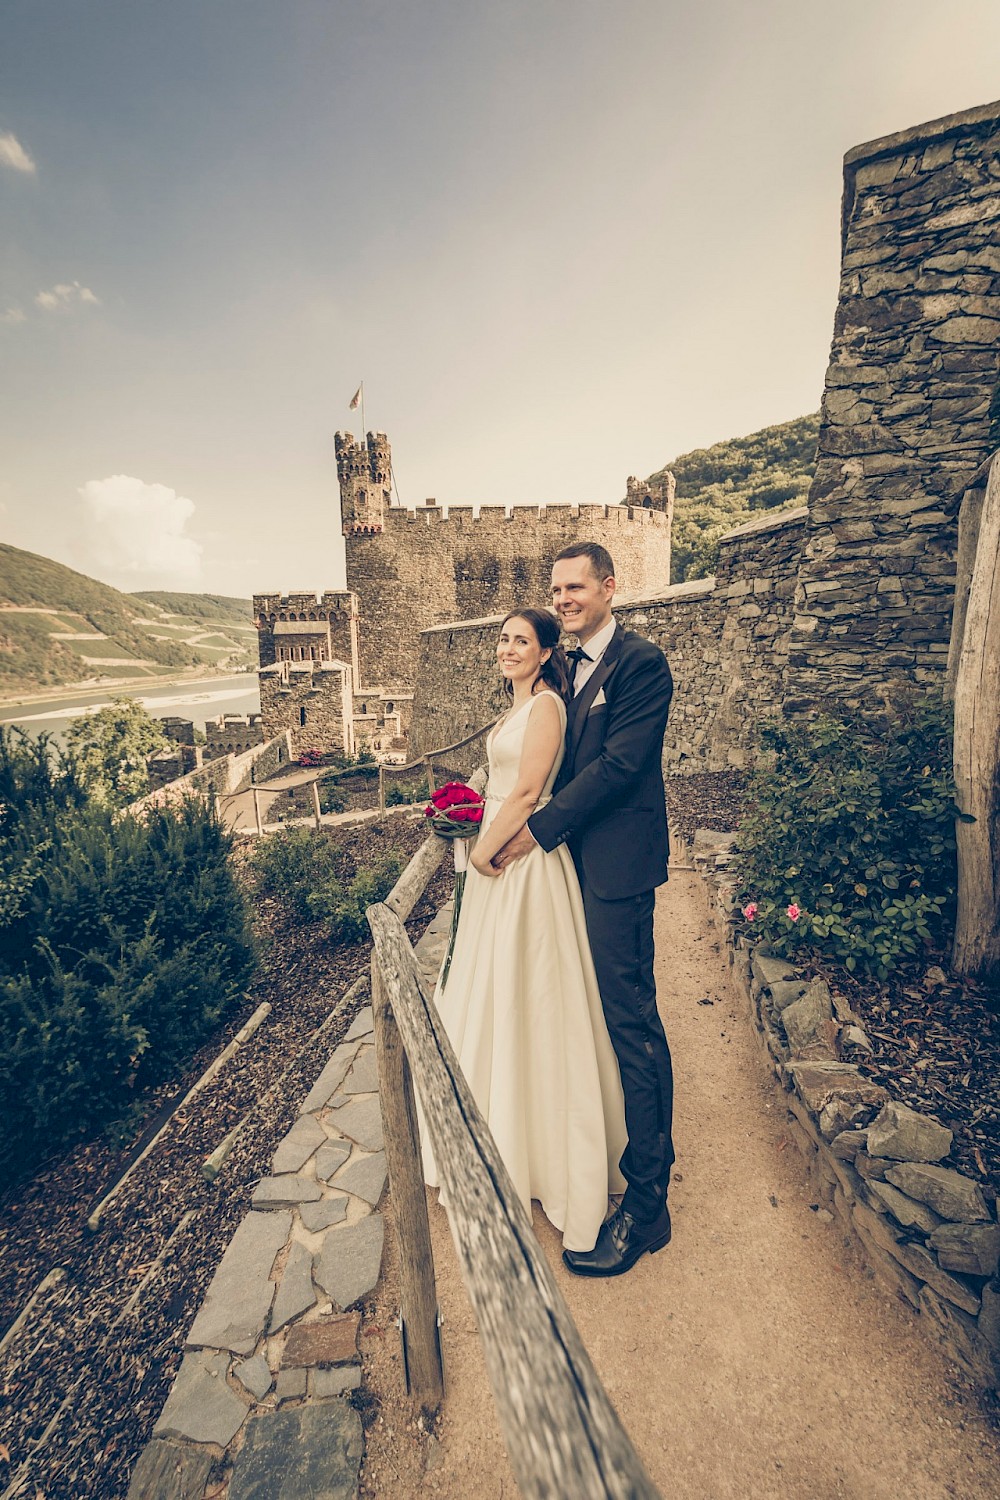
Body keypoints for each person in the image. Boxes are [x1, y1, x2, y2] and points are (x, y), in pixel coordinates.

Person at [492, 542, 675, 1277]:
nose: (564, 598)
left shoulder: (641, 664)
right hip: (571, 871)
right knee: (585, 1019)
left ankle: (648, 1207)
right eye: (557, 589)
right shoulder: (562, 669)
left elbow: (620, 766)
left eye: (576, 587)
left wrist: (533, 831)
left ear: (609, 587)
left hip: (616, 870)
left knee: (633, 1026)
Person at [422, 606, 628, 1254]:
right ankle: (502, 1138)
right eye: (503, 639)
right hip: (501, 860)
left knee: (533, 999)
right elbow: (500, 780)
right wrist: (464, 812)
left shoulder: (544, 708)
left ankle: (547, 1157)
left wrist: (484, 851)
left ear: (545, 654)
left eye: (521, 641)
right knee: (496, 996)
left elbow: (528, 789)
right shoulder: (517, 707)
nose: (508, 648)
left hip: (524, 866)